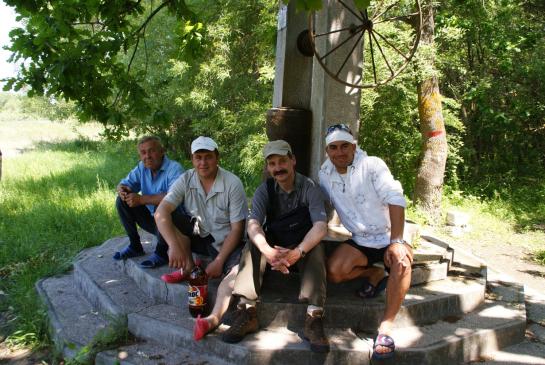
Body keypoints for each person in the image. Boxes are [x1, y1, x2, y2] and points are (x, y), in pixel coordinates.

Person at [221, 140, 330, 353]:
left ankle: (314, 317)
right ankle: (247, 312)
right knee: (252, 244)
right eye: (272, 163)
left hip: (301, 243)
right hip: (275, 243)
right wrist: (268, 251)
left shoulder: (309, 187)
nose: (278, 167)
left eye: (282, 161)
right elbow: (253, 224)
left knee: (317, 247)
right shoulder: (264, 190)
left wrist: (297, 252)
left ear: (293, 161)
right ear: (268, 167)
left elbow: (320, 226)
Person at [318, 123, 413, 360]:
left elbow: (395, 197)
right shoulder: (324, 173)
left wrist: (398, 240)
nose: (340, 152)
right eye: (334, 147)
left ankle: (386, 328)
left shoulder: (373, 166)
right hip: (361, 239)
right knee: (333, 272)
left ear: (354, 146)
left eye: (344, 146)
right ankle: (373, 274)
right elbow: (323, 205)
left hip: (389, 234)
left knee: (401, 262)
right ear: (327, 151)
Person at [154, 136, 247, 340]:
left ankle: (211, 320)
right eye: (198, 157)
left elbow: (237, 229)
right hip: (202, 235)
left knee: (233, 276)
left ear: (217, 158)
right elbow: (161, 212)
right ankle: (187, 267)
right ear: (192, 159)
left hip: (229, 243)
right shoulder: (186, 179)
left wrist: (219, 261)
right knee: (169, 219)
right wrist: (173, 246)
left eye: (208, 157)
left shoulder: (232, 183)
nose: (203, 163)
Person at [113, 135, 184, 268]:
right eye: (143, 152)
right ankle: (135, 246)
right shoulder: (142, 167)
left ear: (162, 151)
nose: (147, 156)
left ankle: (162, 253)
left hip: (173, 223)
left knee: (164, 207)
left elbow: (175, 196)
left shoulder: (175, 168)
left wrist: (141, 199)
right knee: (121, 201)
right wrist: (122, 190)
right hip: (153, 222)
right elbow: (124, 183)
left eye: (152, 151)